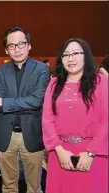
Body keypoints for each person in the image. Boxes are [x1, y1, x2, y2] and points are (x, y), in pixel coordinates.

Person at [42, 38, 108, 193]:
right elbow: (47, 119)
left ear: (86, 56)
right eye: (66, 55)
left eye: (76, 53)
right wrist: (59, 150)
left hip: (94, 155)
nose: (71, 58)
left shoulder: (101, 82)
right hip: (61, 155)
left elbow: (107, 120)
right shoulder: (54, 84)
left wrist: (91, 153)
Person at [0, 27, 50, 193]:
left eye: (21, 44)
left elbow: (37, 101)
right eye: (12, 46)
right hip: (5, 137)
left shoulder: (41, 69)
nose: (17, 49)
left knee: (34, 187)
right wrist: (23, 103)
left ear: (29, 45)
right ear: (6, 50)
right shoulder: (0, 71)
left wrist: (4, 103)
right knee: (8, 187)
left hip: (31, 135)